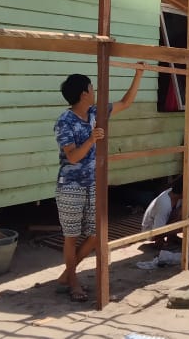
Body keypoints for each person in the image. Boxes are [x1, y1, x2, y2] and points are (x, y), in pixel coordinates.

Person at [54, 66, 143, 302]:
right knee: (71, 236)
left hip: (94, 183)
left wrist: (139, 74)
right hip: (71, 185)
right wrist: (92, 139)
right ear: (84, 93)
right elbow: (73, 157)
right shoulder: (64, 121)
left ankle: (66, 275)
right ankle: (73, 283)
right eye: (92, 88)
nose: (95, 91)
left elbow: (126, 102)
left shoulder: (96, 112)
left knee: (96, 234)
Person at [142, 178, 189, 249]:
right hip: (151, 231)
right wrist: (184, 228)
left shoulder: (178, 195)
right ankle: (159, 241)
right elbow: (157, 231)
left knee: (184, 210)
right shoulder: (164, 203)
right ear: (184, 191)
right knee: (185, 225)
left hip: (162, 225)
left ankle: (171, 238)